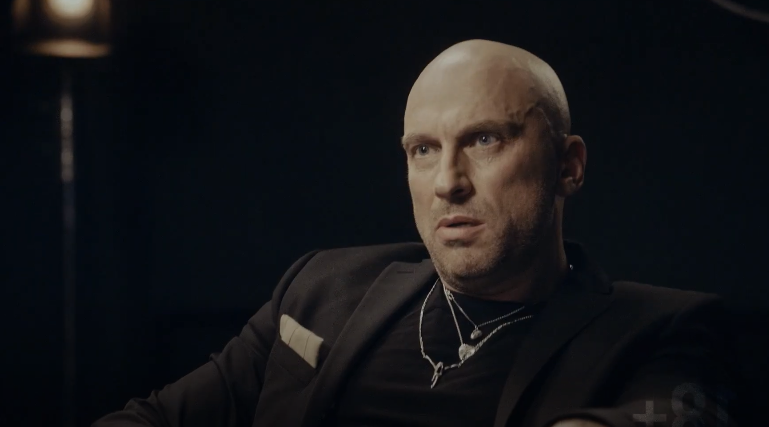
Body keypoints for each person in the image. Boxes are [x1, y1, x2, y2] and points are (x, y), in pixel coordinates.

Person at [93, 40, 737, 427]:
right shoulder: (321, 287)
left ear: (567, 165)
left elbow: (680, 413)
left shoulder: (660, 329)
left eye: (484, 140)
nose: (447, 183)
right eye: (423, 149)